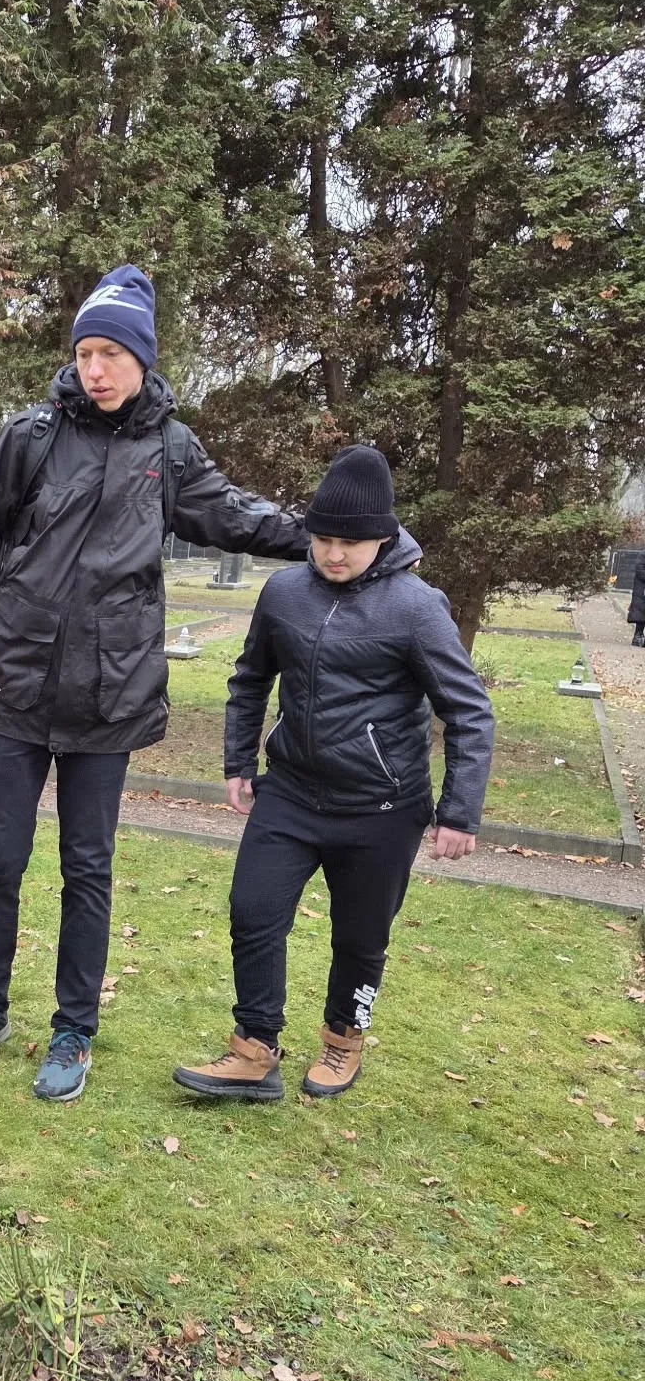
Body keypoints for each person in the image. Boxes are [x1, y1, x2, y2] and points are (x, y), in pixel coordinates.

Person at [0, 264, 310, 1103]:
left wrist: (329, 534)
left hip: (111, 693)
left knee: (87, 865)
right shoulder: (30, 436)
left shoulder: (168, 449)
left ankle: (73, 1029)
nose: (95, 368)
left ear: (141, 358)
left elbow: (235, 516)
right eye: (85, 351)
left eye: (111, 353)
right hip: (20, 685)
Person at [174, 447, 495, 1104]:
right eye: (322, 539)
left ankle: (344, 1041)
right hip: (290, 793)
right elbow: (250, 677)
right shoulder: (285, 591)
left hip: (382, 808)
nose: (334, 554)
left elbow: (468, 710)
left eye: (349, 542)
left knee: (359, 937)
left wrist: (460, 812)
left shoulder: (417, 606)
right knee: (253, 912)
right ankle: (254, 1050)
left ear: (383, 538)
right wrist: (239, 760)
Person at [628, 553, 645, 647]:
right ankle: (638, 636)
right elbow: (640, 571)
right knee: (641, 613)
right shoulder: (643, 555)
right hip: (642, 589)